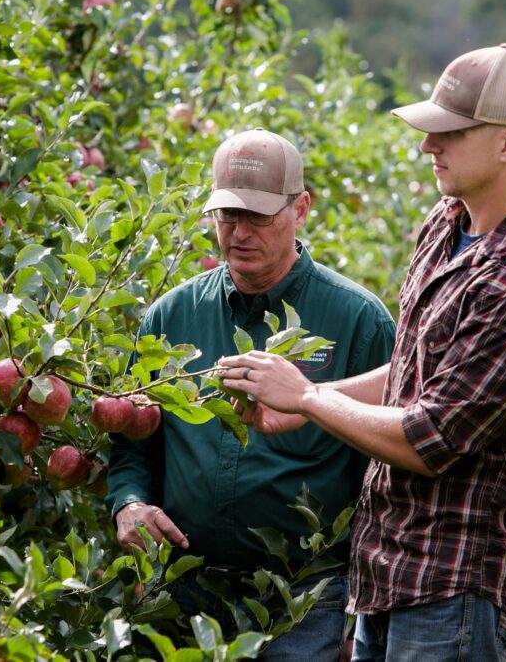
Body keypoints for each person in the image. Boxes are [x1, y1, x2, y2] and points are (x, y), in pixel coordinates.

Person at [219, 44, 506, 661]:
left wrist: (309, 396)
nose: (427, 147)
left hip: (462, 584)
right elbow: (418, 371)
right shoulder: (448, 223)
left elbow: (430, 437)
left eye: (449, 133)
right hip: (393, 570)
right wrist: (310, 402)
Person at [106, 128, 396, 659]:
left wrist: (364, 605)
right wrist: (129, 504)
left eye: (258, 216)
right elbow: (133, 444)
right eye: (227, 216)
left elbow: (381, 471)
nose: (239, 233)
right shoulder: (170, 317)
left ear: (300, 208)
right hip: (181, 594)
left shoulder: (358, 322)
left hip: (305, 603)